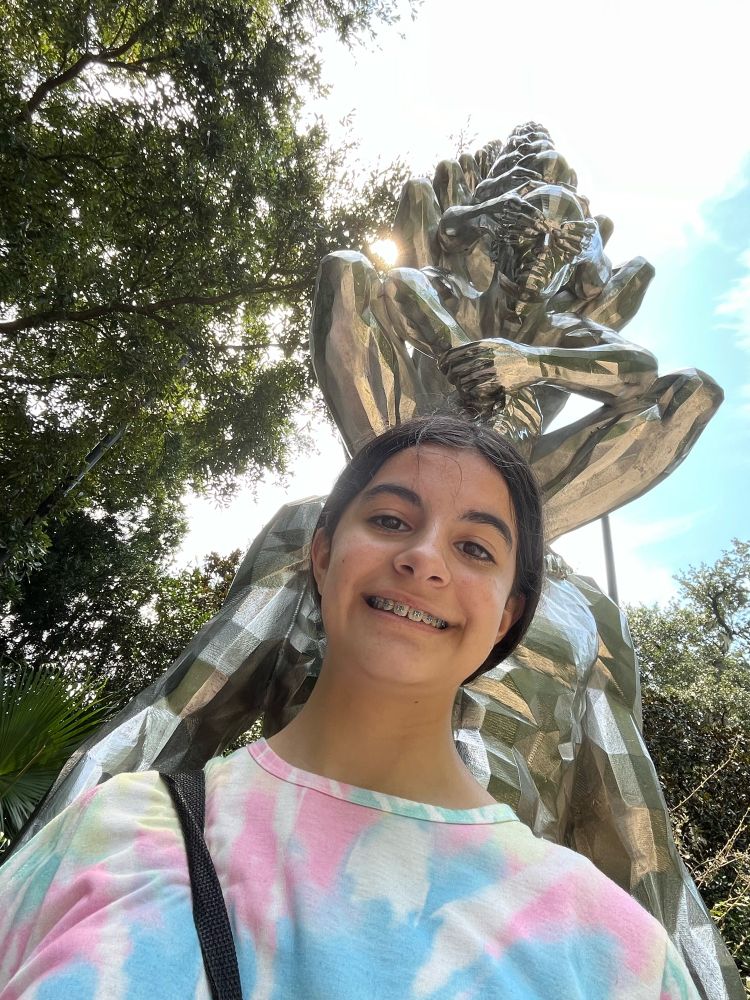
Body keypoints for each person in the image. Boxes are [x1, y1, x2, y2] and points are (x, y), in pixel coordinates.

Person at [0, 415, 699, 999]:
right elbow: (177, 706)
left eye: (475, 547)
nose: (425, 560)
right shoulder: (109, 836)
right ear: (324, 551)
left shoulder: (615, 952)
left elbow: (637, 819)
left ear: (513, 611)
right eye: (391, 519)